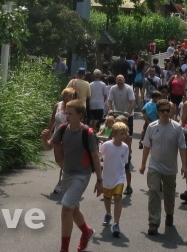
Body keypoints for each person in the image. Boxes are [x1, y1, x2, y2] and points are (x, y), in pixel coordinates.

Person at [41, 99, 102, 252]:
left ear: (80, 116)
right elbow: (49, 146)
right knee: (73, 209)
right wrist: (44, 139)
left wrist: (99, 180)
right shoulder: (63, 129)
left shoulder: (88, 133)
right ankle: (87, 232)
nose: (66, 116)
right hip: (67, 174)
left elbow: (95, 157)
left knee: (66, 209)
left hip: (82, 175)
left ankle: (64, 249)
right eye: (66, 113)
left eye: (70, 114)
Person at [139, 99, 187, 235]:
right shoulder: (152, 127)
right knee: (153, 191)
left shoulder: (177, 128)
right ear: (158, 112)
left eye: (168, 110)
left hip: (170, 168)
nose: (166, 113)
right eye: (163, 111)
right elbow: (147, 146)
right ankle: (153, 223)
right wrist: (143, 164)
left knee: (169, 194)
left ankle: (169, 213)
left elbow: (182, 148)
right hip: (154, 165)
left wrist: (184, 166)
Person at [99, 121, 130, 238]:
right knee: (107, 198)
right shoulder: (107, 145)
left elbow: (125, 161)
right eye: (122, 134)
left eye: (125, 133)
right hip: (107, 176)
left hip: (119, 176)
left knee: (117, 198)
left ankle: (116, 224)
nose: (124, 136)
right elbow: (99, 156)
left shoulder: (125, 147)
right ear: (114, 134)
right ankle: (108, 213)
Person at [48, 88, 76, 194]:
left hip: (69, 136)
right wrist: (47, 134)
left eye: (71, 97)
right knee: (58, 159)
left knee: (65, 159)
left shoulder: (74, 107)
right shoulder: (57, 106)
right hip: (57, 136)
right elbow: (52, 121)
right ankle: (71, 174)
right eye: (67, 97)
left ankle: (61, 183)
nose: (69, 99)